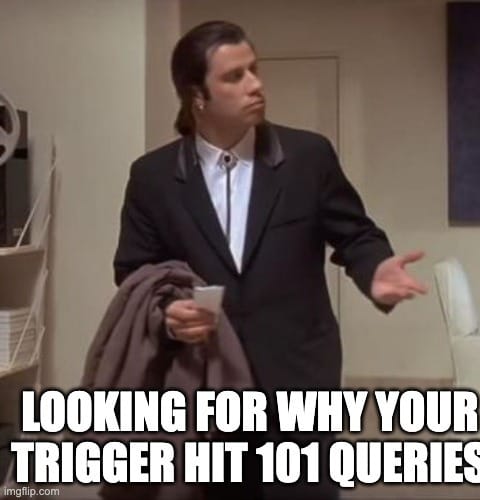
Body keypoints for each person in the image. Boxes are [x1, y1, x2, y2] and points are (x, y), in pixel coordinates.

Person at [113, 20, 427, 500]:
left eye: (254, 69)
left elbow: (356, 235)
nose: (256, 84)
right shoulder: (152, 177)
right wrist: (169, 313)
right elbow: (135, 271)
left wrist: (376, 269)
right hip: (206, 383)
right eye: (234, 76)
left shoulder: (307, 157)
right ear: (197, 96)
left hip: (299, 377)